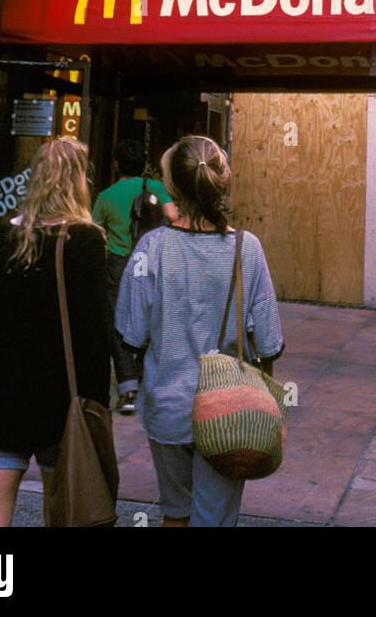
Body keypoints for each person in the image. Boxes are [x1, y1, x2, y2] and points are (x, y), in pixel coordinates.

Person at [116, 135, 284, 528]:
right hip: (229, 413)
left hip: (167, 408)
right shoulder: (248, 248)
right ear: (221, 182)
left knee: (175, 514)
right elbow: (270, 342)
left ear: (172, 186)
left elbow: (131, 334)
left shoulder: (150, 248)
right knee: (216, 520)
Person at [0, 137, 109, 527]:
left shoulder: (3, 237)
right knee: (65, 514)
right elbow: (94, 337)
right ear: (80, 181)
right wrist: (95, 407)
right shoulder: (87, 240)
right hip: (58, 405)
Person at [92, 139, 178, 413]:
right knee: (151, 317)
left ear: (116, 164)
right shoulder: (156, 188)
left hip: (118, 264)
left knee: (118, 324)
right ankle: (145, 378)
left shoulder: (106, 196)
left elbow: (95, 233)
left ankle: (128, 389)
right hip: (151, 260)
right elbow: (174, 217)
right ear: (144, 165)